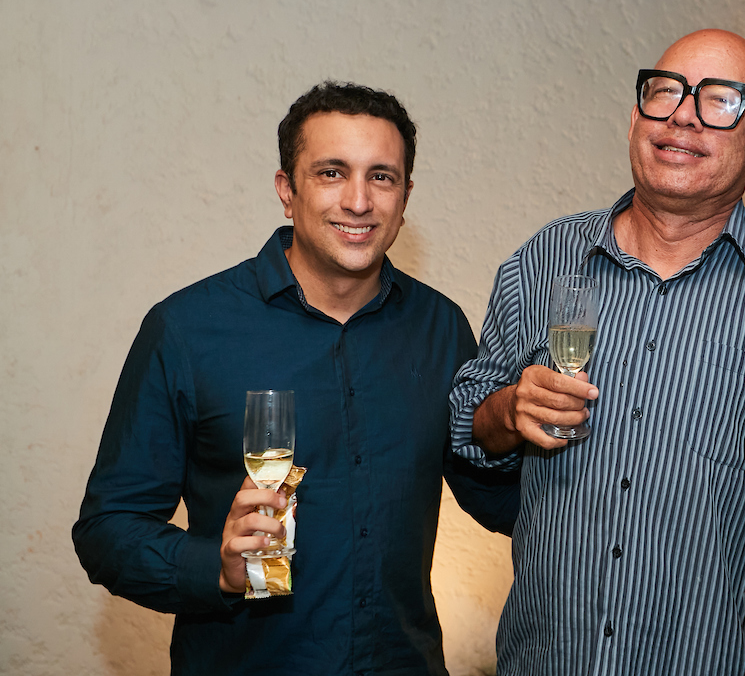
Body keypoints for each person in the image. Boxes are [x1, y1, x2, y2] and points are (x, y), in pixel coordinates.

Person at [73, 82, 516, 676]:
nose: (358, 201)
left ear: (406, 198)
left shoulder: (440, 327)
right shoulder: (187, 330)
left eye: (381, 177)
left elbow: (492, 497)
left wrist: (515, 425)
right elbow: (107, 530)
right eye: (332, 173)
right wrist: (218, 569)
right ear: (288, 191)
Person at [449, 30, 745, 674]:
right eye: (664, 92)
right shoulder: (547, 258)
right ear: (634, 118)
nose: (681, 116)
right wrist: (508, 410)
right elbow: (464, 422)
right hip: (549, 657)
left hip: (713, 658)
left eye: (720, 100)